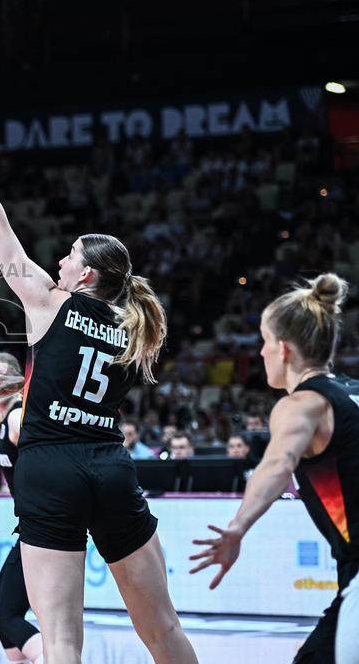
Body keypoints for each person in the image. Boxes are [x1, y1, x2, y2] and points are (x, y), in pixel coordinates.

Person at [0, 88, 197, 664]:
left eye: (70, 255)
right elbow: (72, 372)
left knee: (61, 641)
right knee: (164, 630)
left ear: (86, 275)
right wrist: (23, 385)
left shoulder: (49, 303)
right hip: (108, 463)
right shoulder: (133, 326)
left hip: (50, 466)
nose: (59, 260)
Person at [189, 274, 358, 663]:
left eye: (264, 342)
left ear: (282, 349)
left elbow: (278, 462)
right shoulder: (352, 392)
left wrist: (236, 527)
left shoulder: (303, 403)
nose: (261, 352)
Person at [0, 352, 43, 664]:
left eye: (1, 377)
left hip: (42, 526)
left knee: (6, 613)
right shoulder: (0, 423)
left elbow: (47, 461)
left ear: (15, 381)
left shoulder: (17, 417)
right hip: (32, 525)